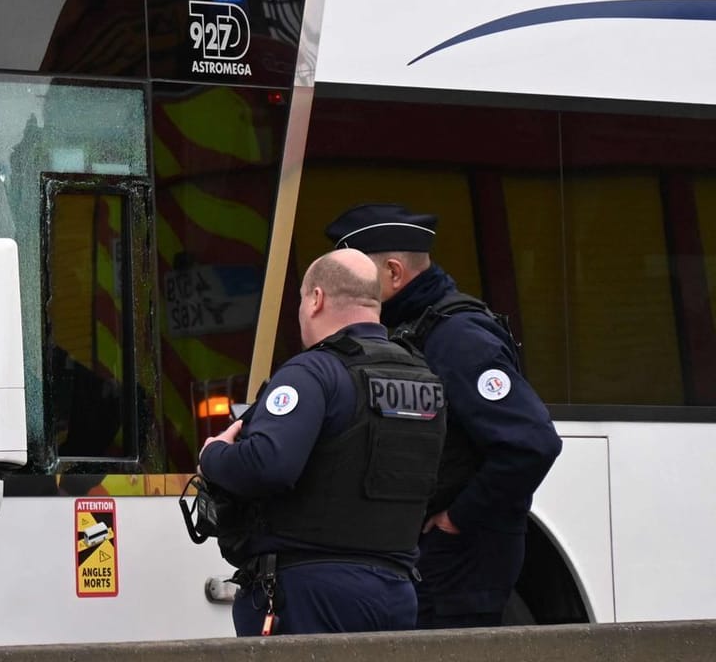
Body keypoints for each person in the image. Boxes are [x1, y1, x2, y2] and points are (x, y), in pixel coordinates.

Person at [326, 202, 563, 628]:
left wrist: (457, 519)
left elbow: (532, 444)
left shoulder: (457, 337)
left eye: (355, 277)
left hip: (459, 564)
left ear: (394, 273)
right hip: (431, 557)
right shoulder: (411, 329)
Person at [199, 249, 446, 636]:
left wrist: (213, 454)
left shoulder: (312, 372)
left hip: (309, 595)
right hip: (396, 591)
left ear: (316, 299)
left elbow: (268, 464)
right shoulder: (423, 376)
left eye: (301, 299)